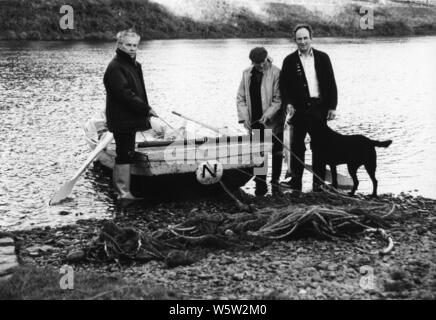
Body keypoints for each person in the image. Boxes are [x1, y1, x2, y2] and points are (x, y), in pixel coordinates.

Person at [279, 24, 338, 192]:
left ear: (311, 38)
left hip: (318, 109)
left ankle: (318, 183)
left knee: (319, 146)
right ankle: (295, 182)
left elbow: (331, 83)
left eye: (305, 38)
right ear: (295, 40)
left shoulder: (323, 57)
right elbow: (284, 87)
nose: (303, 42)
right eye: (299, 39)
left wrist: (332, 106)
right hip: (298, 110)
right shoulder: (289, 60)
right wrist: (288, 103)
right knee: (297, 147)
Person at [103, 28, 157, 201]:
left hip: (130, 118)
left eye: (135, 45)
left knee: (127, 152)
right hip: (121, 119)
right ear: (119, 45)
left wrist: (144, 109)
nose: (133, 48)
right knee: (124, 153)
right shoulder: (115, 67)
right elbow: (125, 95)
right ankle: (123, 193)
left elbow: (137, 92)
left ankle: (125, 191)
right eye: (128, 45)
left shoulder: (133, 64)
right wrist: (146, 109)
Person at [237, 47, 285, 196]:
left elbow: (279, 99)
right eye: (256, 63)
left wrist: (268, 115)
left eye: (262, 62)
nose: (260, 65)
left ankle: (275, 182)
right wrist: (244, 118)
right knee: (259, 154)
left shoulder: (277, 72)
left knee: (277, 152)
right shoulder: (246, 73)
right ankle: (260, 184)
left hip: (274, 121)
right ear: (252, 62)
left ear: (267, 58)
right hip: (255, 121)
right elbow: (241, 98)